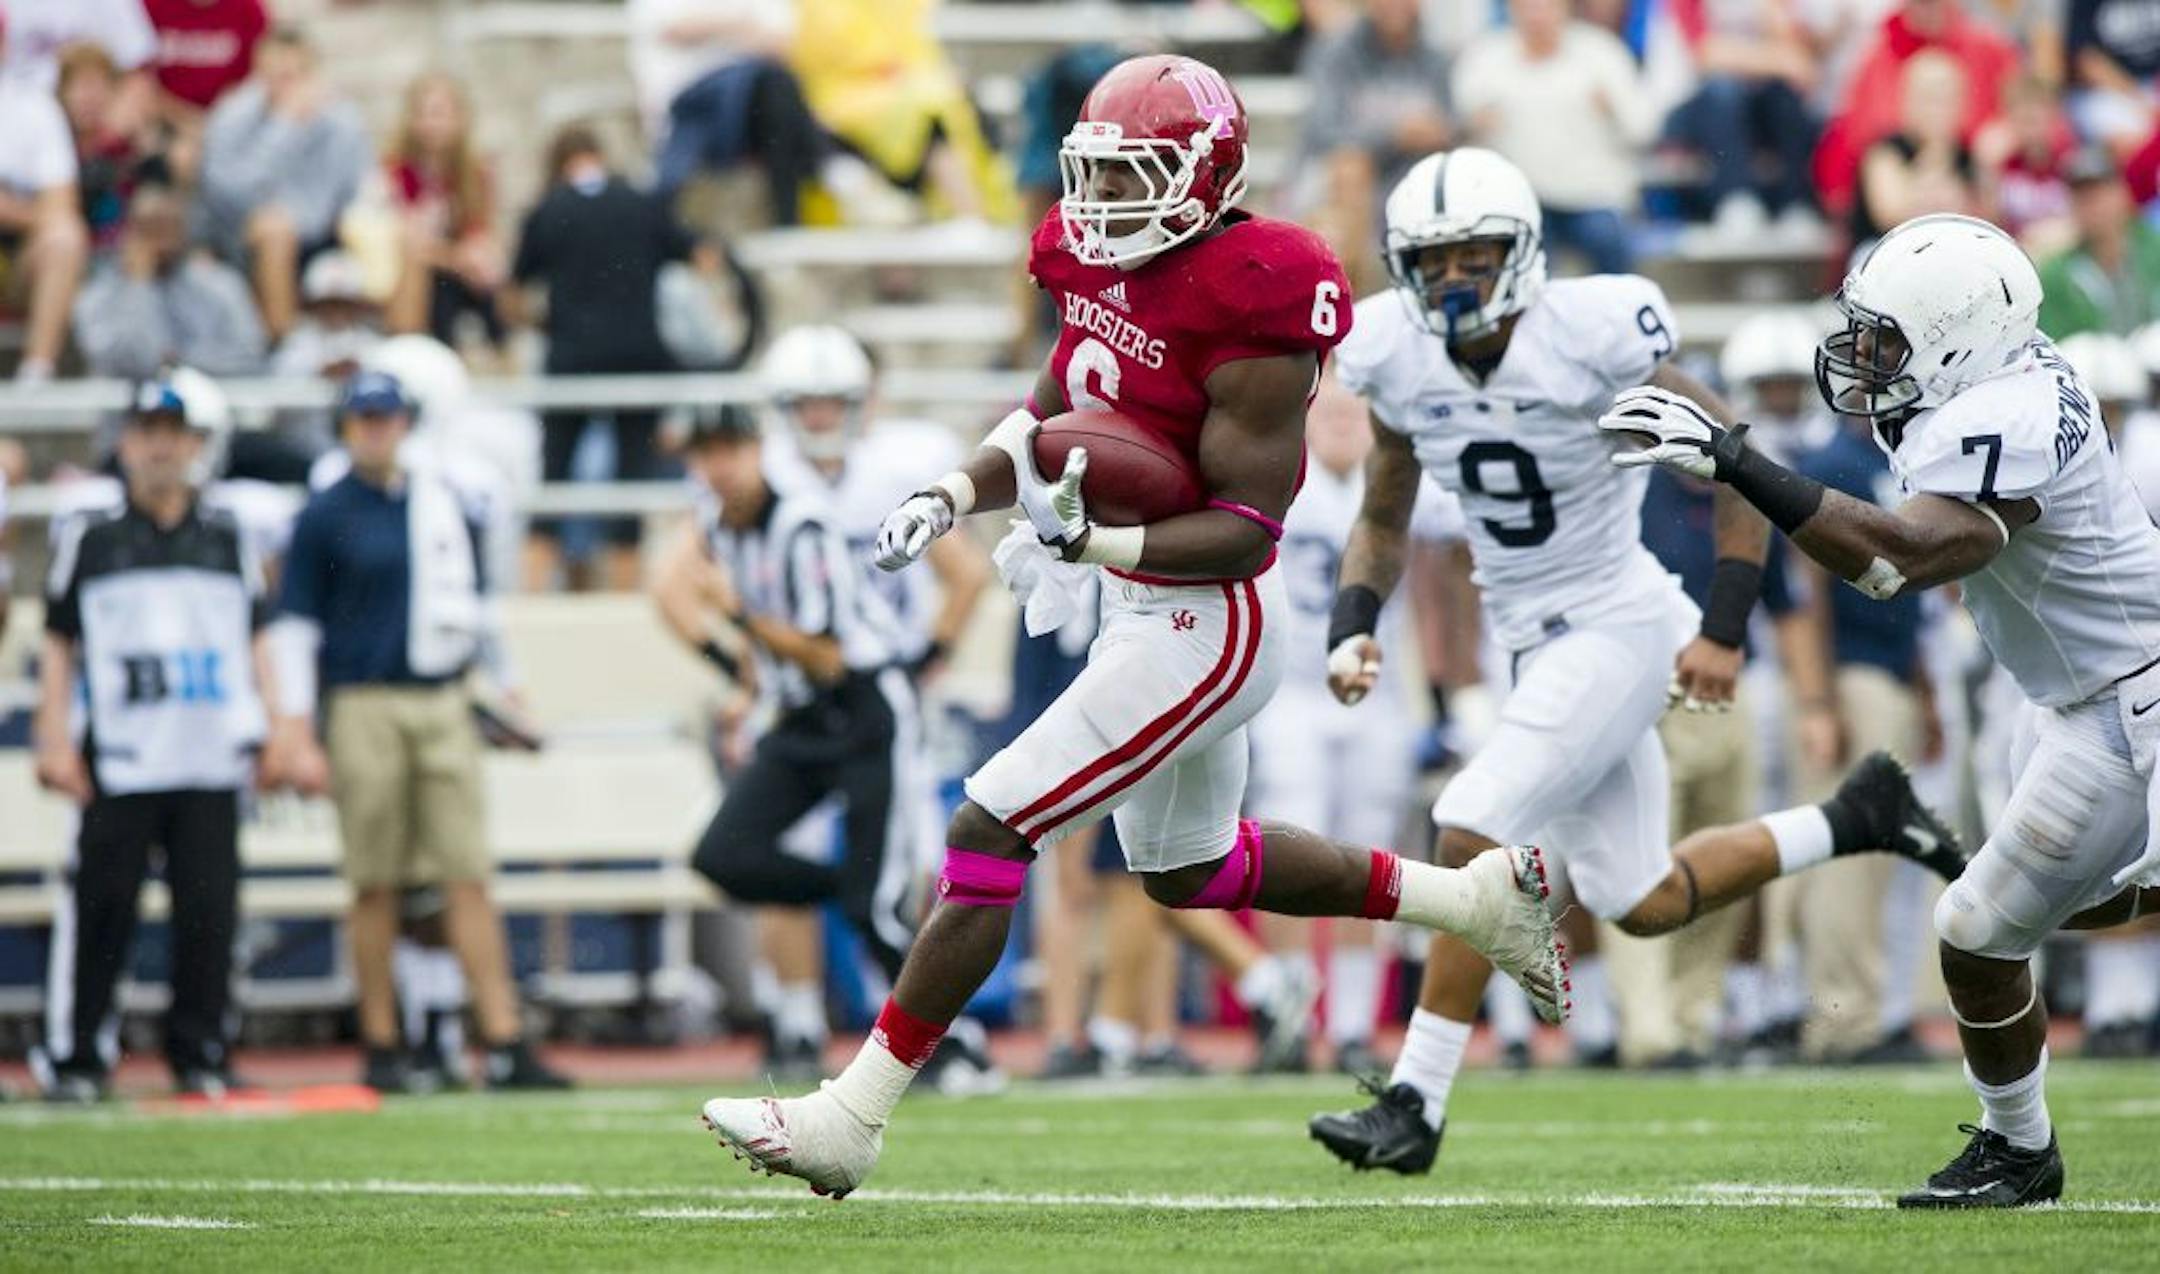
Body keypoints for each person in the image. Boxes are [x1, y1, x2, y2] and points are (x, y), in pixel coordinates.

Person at [699, 55, 1570, 1198]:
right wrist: (955, 492)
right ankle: (1476, 899)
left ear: (1207, 176)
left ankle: (850, 1114)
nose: (1104, 205)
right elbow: (1064, 400)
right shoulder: (1091, 256)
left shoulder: (1265, 285)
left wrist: (1096, 544)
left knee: (988, 823)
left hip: (1207, 620)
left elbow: (1251, 530)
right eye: (1095, 177)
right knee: (1191, 868)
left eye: (1133, 177)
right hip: (1141, 604)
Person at [1304, 148, 1960, 1175]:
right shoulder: (1390, 349)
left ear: (1522, 255)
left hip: (1615, 619)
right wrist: (1352, 620)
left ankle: (1415, 1099)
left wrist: (1726, 625)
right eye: (1434, 262)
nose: (1456, 281)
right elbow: (1383, 513)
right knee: (1640, 898)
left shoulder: (1594, 332)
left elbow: (1730, 456)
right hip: (1533, 639)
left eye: (1477, 256)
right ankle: (1859, 814)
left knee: (1470, 822)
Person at [1601, 211, 2160, 1206]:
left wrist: (1736, 461)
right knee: (1979, 929)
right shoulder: (1984, 385)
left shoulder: (2012, 410)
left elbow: (1898, 561)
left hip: (2145, 690)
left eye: (1888, 334)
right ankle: (2018, 1146)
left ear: (1958, 337)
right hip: (2084, 705)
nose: (1864, 353)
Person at [651, 407, 974, 1077]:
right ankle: (855, 891)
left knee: (876, 910)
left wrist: (737, 616)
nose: (719, 469)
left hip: (862, 708)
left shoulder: (804, 523)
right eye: (705, 454)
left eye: (729, 450)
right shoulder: (716, 524)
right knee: (725, 854)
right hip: (799, 716)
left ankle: (955, 1043)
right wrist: (741, 671)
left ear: (757, 450)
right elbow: (713, 616)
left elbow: (825, 656)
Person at [270, 371, 568, 1094]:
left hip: (441, 700)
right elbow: (296, 625)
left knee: (467, 872)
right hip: (363, 702)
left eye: (388, 416)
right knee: (376, 880)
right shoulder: (324, 514)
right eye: (365, 417)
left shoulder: (442, 505)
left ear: (406, 422)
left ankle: (500, 1038)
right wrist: (296, 727)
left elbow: (472, 605)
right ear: (347, 426)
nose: (377, 428)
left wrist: (503, 679)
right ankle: (382, 1041)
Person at [30, 377, 275, 1102]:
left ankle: (201, 1051)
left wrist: (276, 726)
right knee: (101, 907)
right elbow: (59, 641)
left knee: (211, 914)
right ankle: (77, 1054)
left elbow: (257, 637)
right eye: (147, 431)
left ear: (199, 444)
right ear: (125, 443)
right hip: (124, 753)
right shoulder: (92, 537)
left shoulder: (229, 536)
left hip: (208, 752)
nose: (161, 446)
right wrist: (53, 736)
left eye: (174, 432)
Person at [1246, 371, 1420, 1075]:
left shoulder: (1401, 478)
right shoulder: (1279, 478)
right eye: (1333, 409)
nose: (1346, 421)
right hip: (1291, 693)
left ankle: (1350, 1025)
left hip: (1380, 695)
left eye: (1358, 409)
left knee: (1368, 854)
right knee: (1287, 853)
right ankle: (1291, 1011)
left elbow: (1444, 573)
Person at [509, 124, 711, 590]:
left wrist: (549, 322)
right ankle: (626, 598)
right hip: (638, 359)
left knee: (553, 480)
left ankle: (533, 598)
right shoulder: (641, 202)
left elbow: (515, 292)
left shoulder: (548, 209)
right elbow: (703, 257)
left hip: (571, 360)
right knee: (630, 481)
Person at [1452, 0, 1657, 273]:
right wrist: (1474, 124)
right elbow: (1456, 133)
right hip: (1518, 201)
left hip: (1593, 197)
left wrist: (1612, 110)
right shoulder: (1485, 58)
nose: (1537, 14)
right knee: (1524, 259)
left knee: (1609, 241)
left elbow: (1644, 130)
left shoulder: (1603, 52)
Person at [197, 26, 373, 341]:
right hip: (241, 237)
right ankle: (284, 345)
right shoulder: (231, 115)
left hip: (321, 235)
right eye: (277, 76)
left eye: (297, 75)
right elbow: (227, 195)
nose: (289, 86)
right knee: (275, 229)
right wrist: (284, 127)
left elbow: (344, 194)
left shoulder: (342, 120)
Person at [1660, 0, 1824, 237]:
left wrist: (1771, 12)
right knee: (1723, 89)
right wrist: (1777, 61)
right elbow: (1706, 53)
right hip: (1689, 108)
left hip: (1750, 105)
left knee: (1785, 96)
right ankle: (1736, 199)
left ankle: (1795, 205)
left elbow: (1800, 61)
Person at [72, 181, 265, 379]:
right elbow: (127, 362)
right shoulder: (99, 295)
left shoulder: (220, 284)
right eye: (150, 226)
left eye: (168, 225)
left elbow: (249, 357)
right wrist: (139, 285)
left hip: (210, 402)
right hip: (127, 406)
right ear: (129, 231)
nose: (160, 238)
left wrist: (179, 364)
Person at [383, 72, 506, 351]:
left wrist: (477, 258)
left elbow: (480, 230)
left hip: (454, 272)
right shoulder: (396, 172)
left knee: (486, 274)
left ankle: (497, 352)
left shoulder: (474, 174)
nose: (431, 124)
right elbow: (407, 241)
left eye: (439, 114)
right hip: (414, 274)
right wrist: (455, 258)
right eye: (423, 114)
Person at [0, 7, 89, 383]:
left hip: (18, 259)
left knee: (65, 238)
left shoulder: (32, 108)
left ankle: (36, 372)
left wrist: (8, 210)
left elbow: (60, 207)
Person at [1849, 51, 1985, 255]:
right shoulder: (1885, 153)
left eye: (1947, 98)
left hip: (1953, 253)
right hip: (1886, 252)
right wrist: (1936, 153)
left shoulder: (1970, 154)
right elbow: (1890, 215)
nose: (1938, 109)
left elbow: (1987, 222)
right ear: (1906, 100)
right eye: (1929, 98)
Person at [2037, 147, 2160, 338]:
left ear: (2123, 194)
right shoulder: (2057, 275)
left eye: (2101, 194)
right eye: (2082, 198)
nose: (2094, 207)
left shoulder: (2153, 248)